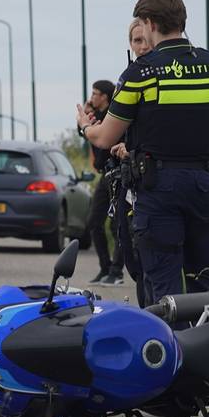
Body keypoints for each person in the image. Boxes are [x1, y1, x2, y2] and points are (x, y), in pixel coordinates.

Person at [77, 0, 209, 301]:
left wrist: (85, 128)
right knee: (205, 286)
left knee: (164, 291)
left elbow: (106, 137)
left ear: (148, 22)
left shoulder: (141, 73)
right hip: (204, 185)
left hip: (159, 189)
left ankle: (171, 348)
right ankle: (207, 345)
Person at [109, 18, 154, 305]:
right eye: (136, 41)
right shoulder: (127, 78)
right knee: (136, 264)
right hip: (131, 186)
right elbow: (111, 134)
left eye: (146, 40)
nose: (142, 46)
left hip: (155, 183)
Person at [79, 79, 123, 286]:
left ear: (105, 96)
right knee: (94, 222)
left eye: (95, 93)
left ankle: (117, 271)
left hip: (119, 174)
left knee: (118, 225)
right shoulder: (95, 117)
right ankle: (105, 268)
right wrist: (84, 118)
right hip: (104, 175)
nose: (92, 97)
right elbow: (86, 135)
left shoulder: (112, 117)